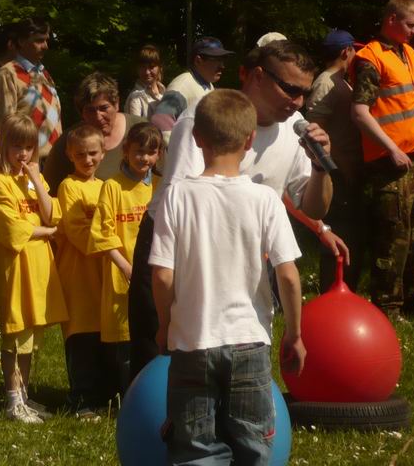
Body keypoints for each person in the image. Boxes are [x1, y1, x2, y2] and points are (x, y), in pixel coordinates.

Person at [129, 41, 339, 377]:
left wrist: (319, 168)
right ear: (257, 76)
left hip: (240, 255)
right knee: (161, 356)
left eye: (304, 92)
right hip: (177, 248)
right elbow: (183, 204)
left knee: (234, 356)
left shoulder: (295, 128)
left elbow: (314, 207)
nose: (298, 102)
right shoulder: (204, 118)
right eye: (290, 89)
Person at [150, 89, 306, 466]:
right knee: (252, 446)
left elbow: (162, 276)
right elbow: (287, 275)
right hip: (249, 341)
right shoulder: (265, 199)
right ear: (250, 140)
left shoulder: (176, 196)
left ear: (196, 137)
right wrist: (295, 334)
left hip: (192, 343)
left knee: (194, 450)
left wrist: (165, 325)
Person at [351, 0, 414, 318]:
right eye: (410, 25)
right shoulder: (370, 57)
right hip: (390, 164)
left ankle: (409, 301)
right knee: (393, 237)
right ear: (391, 20)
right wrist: (392, 149)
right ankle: (387, 306)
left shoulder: (409, 54)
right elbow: (360, 112)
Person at [0, 114, 66, 423]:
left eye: (29, 147)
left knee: (30, 336)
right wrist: (47, 232)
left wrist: (36, 180)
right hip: (15, 266)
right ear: (5, 147)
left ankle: (24, 395)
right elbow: (11, 230)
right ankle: (12, 399)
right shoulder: (0, 183)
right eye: (17, 146)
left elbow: (51, 214)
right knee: (15, 333)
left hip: (39, 265)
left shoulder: (35, 180)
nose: (23, 154)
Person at [94, 122, 162, 396]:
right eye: (138, 151)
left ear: (159, 154)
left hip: (152, 276)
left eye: (151, 152)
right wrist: (125, 266)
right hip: (121, 274)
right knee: (124, 343)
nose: (144, 158)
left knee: (151, 336)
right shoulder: (112, 187)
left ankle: (151, 395)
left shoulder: (160, 186)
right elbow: (102, 233)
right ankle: (125, 398)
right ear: (125, 151)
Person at [55, 125, 111, 415]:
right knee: (81, 338)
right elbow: (76, 230)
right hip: (78, 275)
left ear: (103, 153)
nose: (87, 160)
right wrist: (108, 244)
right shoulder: (69, 186)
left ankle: (102, 396)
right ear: (69, 155)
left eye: (92, 153)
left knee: (102, 337)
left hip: (103, 274)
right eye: (80, 155)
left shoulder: (106, 187)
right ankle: (80, 399)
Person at [305, 29, 366, 291]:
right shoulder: (325, 82)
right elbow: (316, 132)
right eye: (354, 50)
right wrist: (338, 168)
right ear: (345, 51)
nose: (356, 55)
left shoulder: (341, 81)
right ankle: (332, 291)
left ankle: (346, 290)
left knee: (352, 235)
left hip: (348, 172)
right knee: (338, 235)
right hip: (338, 173)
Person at [43, 73, 141, 193]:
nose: (98, 117)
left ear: (116, 104)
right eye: (90, 110)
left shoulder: (140, 129)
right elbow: (48, 190)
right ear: (82, 113)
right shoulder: (70, 141)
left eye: (104, 108)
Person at [0, 18, 62, 160]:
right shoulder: (8, 73)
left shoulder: (44, 74)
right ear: (22, 41)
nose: (45, 46)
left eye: (46, 40)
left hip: (55, 158)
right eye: (39, 41)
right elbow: (5, 122)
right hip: (29, 159)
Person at [165, 36, 234, 112]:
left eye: (222, 60)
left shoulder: (207, 84)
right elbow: (160, 118)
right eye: (217, 60)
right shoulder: (181, 87)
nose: (222, 66)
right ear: (198, 61)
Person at [123, 44, 166, 119]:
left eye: (151, 67)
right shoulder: (135, 97)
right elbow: (136, 125)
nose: (147, 72)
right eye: (143, 67)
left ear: (160, 68)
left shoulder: (164, 91)